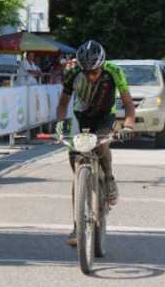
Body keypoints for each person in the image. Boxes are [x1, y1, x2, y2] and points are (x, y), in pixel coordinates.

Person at [55, 40, 136, 247]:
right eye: (87, 72)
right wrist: (61, 126)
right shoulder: (73, 73)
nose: (91, 76)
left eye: (95, 71)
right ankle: (77, 224)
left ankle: (108, 178)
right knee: (76, 165)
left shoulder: (114, 71)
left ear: (102, 65)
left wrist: (127, 126)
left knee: (101, 144)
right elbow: (63, 103)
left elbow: (128, 103)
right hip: (81, 116)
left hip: (104, 116)